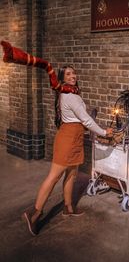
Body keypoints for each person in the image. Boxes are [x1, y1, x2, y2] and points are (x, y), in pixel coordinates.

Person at [22, 65, 113, 236]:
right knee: (54, 176)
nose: (72, 76)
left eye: (73, 73)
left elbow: (81, 119)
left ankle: (68, 207)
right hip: (68, 140)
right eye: (68, 74)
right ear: (62, 79)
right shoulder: (70, 96)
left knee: (72, 174)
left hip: (75, 139)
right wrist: (103, 132)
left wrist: (89, 119)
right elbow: (85, 120)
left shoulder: (71, 93)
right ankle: (34, 214)